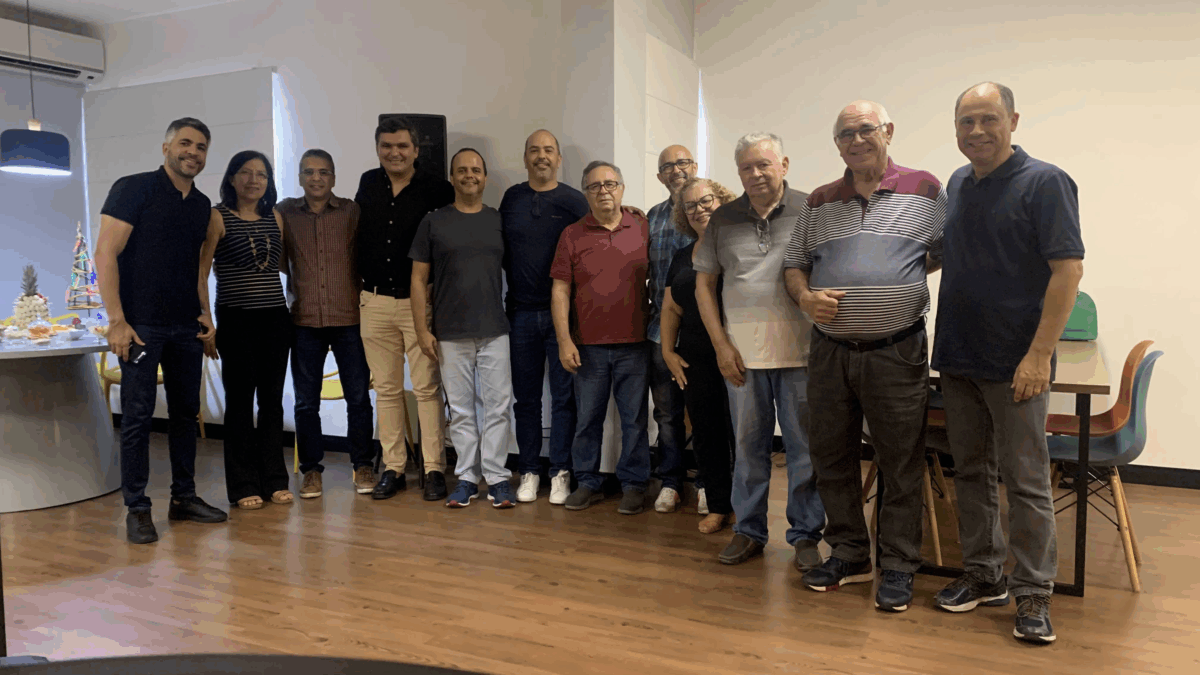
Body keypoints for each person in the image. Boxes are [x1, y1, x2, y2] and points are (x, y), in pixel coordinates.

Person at [932, 82, 1084, 644]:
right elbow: (952, 254)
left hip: (1017, 363)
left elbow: (1068, 271)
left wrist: (1039, 355)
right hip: (958, 356)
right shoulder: (958, 182)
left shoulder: (1045, 182)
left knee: (1025, 482)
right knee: (971, 473)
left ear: (1013, 121)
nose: (976, 131)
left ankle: (1033, 592)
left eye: (988, 119)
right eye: (966, 121)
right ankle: (984, 574)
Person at [783, 101, 945, 612]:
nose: (856, 140)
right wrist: (806, 298)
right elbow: (794, 265)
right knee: (831, 457)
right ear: (836, 145)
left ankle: (898, 564)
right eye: (845, 134)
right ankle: (850, 554)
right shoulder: (820, 200)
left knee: (900, 460)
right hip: (830, 352)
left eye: (865, 129)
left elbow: (943, 252)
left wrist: (894, 282)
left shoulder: (925, 189)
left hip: (896, 351)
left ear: (888, 131)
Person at [693, 132, 824, 567]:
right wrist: (721, 345)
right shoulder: (723, 219)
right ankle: (748, 531)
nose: (756, 173)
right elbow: (704, 286)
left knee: (805, 452)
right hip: (742, 359)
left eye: (764, 164)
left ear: (783, 165)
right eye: (746, 167)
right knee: (748, 451)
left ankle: (805, 536)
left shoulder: (812, 208)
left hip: (802, 355)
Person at [95, 117, 227, 544]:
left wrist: (205, 315)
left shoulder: (202, 205)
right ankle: (137, 508)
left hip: (186, 326)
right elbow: (105, 253)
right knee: (137, 417)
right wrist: (117, 320)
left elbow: (198, 270)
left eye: (201, 147)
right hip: (140, 328)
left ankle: (183, 498)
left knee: (186, 415)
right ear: (166, 147)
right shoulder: (133, 188)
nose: (193, 152)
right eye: (185, 143)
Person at [355, 116, 455, 501]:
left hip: (418, 304)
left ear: (415, 150)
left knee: (427, 388)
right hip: (374, 301)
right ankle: (394, 468)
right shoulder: (368, 182)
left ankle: (433, 468)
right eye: (386, 146)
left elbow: (447, 246)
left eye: (401, 146)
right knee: (387, 390)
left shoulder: (437, 189)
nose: (394, 153)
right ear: (377, 148)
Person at [410, 148, 515, 508]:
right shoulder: (434, 222)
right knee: (461, 410)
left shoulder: (498, 220)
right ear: (452, 177)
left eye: (476, 170)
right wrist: (422, 330)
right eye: (462, 170)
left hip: (494, 329)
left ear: (485, 177)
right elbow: (418, 278)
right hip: (450, 332)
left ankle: (498, 477)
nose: (469, 175)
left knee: (499, 407)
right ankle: (467, 477)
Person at [550, 161, 652, 515]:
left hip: (635, 344)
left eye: (610, 184)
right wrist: (564, 340)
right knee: (587, 419)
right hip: (588, 346)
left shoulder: (642, 226)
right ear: (586, 194)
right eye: (595, 186)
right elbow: (560, 291)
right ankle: (587, 482)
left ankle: (634, 484)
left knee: (634, 420)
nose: (603, 191)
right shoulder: (571, 235)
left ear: (622, 188)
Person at [278, 149, 376, 499]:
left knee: (358, 399)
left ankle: (362, 465)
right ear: (300, 177)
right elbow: (280, 260)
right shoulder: (285, 213)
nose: (316, 178)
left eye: (323, 172)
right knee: (306, 403)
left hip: (349, 319)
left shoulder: (351, 211)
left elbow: (365, 254)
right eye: (309, 172)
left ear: (333, 177)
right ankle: (311, 470)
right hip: (304, 320)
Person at [199, 150, 293, 510]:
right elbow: (200, 272)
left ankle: (275, 480)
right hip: (236, 320)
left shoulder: (276, 217)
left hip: (275, 319)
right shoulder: (217, 216)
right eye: (246, 172)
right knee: (239, 403)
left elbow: (281, 266)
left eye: (262, 174)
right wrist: (206, 320)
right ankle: (242, 485)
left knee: (271, 403)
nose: (254, 180)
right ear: (232, 178)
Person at [500, 130, 588, 505]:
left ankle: (561, 471)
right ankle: (530, 471)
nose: (541, 156)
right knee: (526, 400)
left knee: (564, 399)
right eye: (534, 150)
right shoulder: (511, 198)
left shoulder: (574, 200)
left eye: (548, 150)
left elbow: (594, 238)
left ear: (558, 158)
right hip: (519, 314)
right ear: (525, 158)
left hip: (563, 318)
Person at [660, 177, 738, 534]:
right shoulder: (681, 255)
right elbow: (670, 307)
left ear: (721, 201)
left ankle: (748, 510)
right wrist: (668, 351)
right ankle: (719, 506)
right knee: (706, 434)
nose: (699, 210)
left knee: (742, 435)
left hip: (737, 352)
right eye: (690, 206)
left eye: (706, 201)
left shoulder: (737, 246)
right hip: (694, 356)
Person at [645, 145, 698, 513]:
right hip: (658, 332)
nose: (676, 170)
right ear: (660, 176)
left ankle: (710, 481)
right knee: (666, 413)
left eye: (682, 163)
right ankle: (671, 482)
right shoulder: (652, 216)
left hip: (701, 331)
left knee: (707, 411)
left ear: (694, 165)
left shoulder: (712, 211)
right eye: (668, 166)